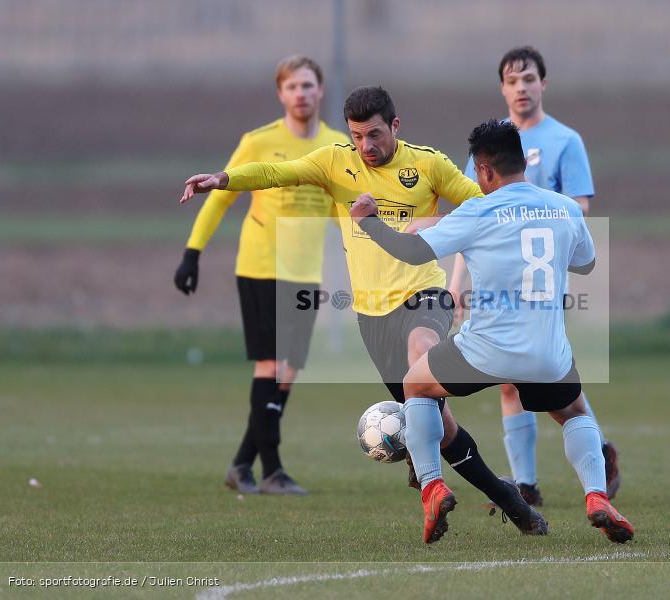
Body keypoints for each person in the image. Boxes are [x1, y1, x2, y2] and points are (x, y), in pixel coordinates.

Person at [180, 86, 547, 534]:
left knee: (422, 355)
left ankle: (431, 487)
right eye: (357, 136)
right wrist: (224, 179)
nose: (366, 147)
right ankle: (508, 499)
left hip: (423, 294)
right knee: (442, 429)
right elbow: (279, 171)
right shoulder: (335, 161)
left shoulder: (427, 164)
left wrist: (435, 223)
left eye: (374, 134)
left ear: (395, 126)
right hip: (372, 316)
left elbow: (485, 205)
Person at [350, 119, 634, 544]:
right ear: (522, 161)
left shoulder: (477, 210)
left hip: (484, 349)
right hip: (547, 353)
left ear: (483, 171)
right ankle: (596, 495)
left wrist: (370, 222)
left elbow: (411, 252)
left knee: (416, 385)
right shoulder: (564, 208)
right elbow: (587, 263)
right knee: (574, 412)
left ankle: (431, 485)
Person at [174, 56, 349, 495]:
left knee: (288, 371)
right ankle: (272, 470)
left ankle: (240, 464)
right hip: (261, 266)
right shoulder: (258, 141)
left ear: (320, 90)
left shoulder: (335, 146)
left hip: (304, 273)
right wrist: (192, 253)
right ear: (281, 94)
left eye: (308, 85)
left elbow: (342, 212)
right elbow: (220, 198)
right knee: (270, 365)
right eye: (292, 87)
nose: (301, 94)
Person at [462, 46, 619, 505]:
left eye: (529, 78)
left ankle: (596, 448)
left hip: (541, 276)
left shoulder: (565, 140)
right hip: (496, 277)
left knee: (542, 370)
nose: (521, 87)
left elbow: (580, 207)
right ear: (502, 88)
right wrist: (457, 285)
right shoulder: (488, 146)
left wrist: (535, 210)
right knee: (511, 377)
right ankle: (527, 483)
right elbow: (473, 214)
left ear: (542, 84)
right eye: (512, 81)